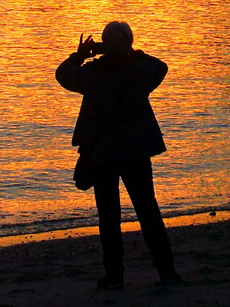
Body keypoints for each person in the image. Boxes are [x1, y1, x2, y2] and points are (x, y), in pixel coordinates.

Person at [56, 21, 182, 290]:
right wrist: (134, 52)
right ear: (129, 43)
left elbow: (63, 75)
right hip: (136, 151)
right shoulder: (139, 71)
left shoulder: (93, 74)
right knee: (148, 211)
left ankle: (114, 276)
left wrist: (81, 55)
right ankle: (167, 272)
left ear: (105, 44)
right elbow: (161, 66)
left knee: (109, 218)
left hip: (103, 155)